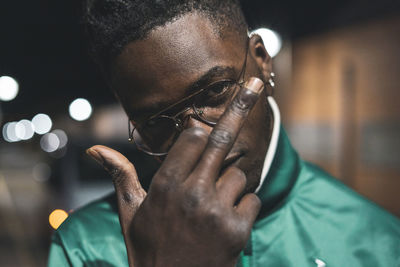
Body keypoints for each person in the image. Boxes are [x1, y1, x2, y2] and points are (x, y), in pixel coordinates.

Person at [48, 0, 400, 266]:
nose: (196, 137)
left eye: (215, 91)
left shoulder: (377, 243)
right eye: (156, 120)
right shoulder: (85, 246)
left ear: (262, 60)